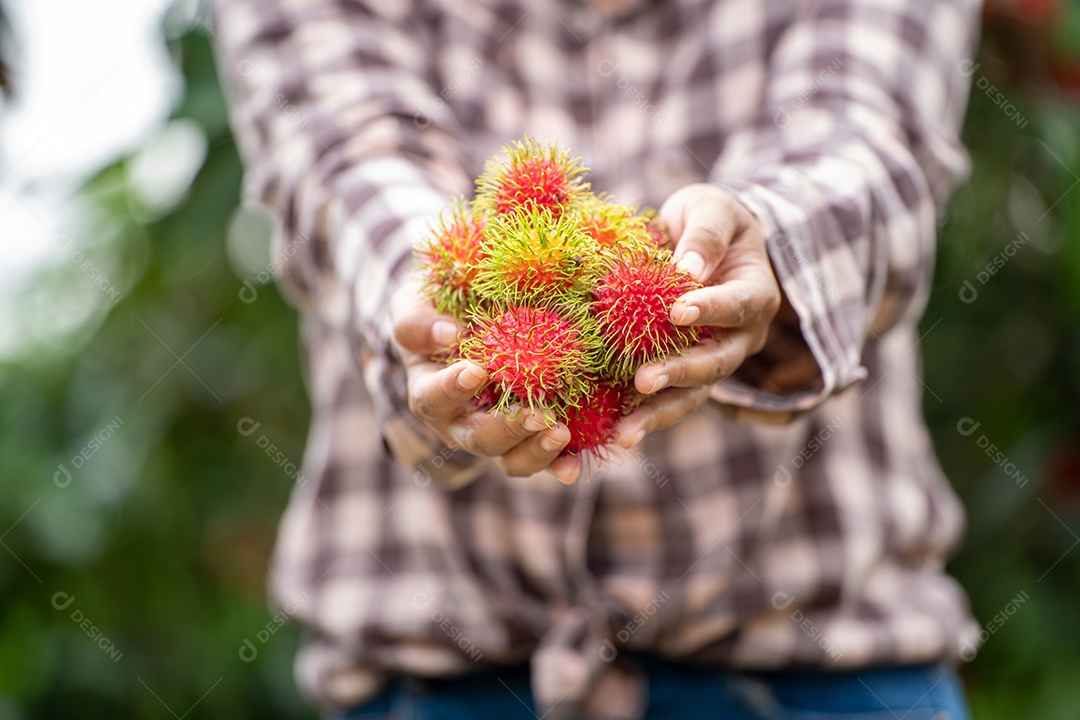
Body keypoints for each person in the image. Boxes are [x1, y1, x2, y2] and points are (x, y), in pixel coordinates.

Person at [211, 0, 982, 717]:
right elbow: (342, 150)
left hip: (828, 664)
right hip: (439, 677)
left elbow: (864, 129)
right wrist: (425, 304)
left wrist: (769, 241)